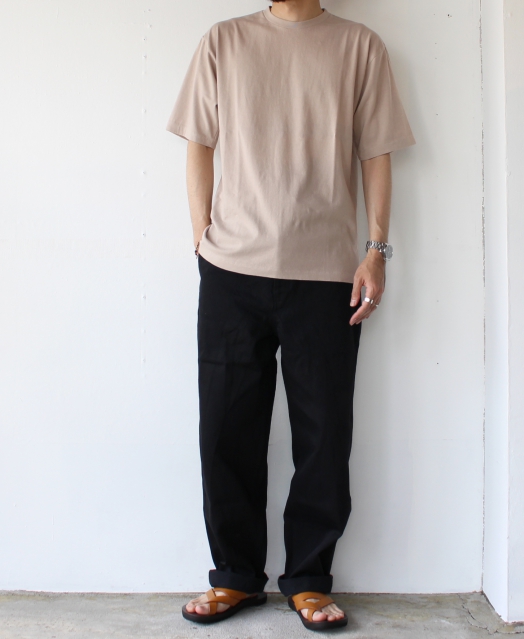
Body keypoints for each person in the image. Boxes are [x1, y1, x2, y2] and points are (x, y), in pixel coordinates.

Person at [166, 0, 415, 631]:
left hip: (327, 274)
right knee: (225, 430)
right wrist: (201, 235)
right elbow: (199, 141)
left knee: (324, 434)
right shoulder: (224, 41)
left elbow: (377, 152)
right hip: (231, 270)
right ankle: (234, 575)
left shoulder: (360, 46)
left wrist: (377, 250)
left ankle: (308, 579)